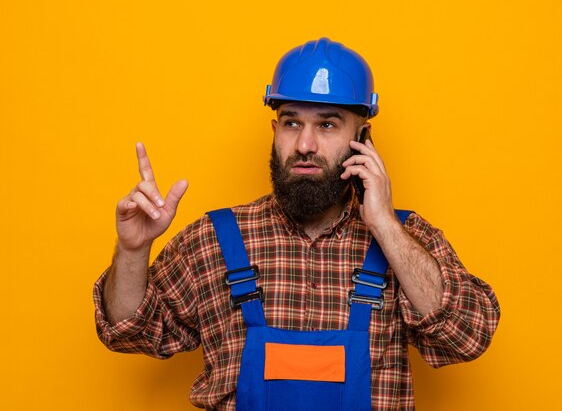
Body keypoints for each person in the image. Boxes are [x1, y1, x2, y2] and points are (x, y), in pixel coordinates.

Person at [93, 38, 500, 411]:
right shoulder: (213, 239)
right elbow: (131, 332)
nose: (305, 145)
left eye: (327, 124)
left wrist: (385, 227)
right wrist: (132, 251)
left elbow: (467, 337)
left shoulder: (407, 238)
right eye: (291, 123)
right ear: (275, 131)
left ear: (363, 138)